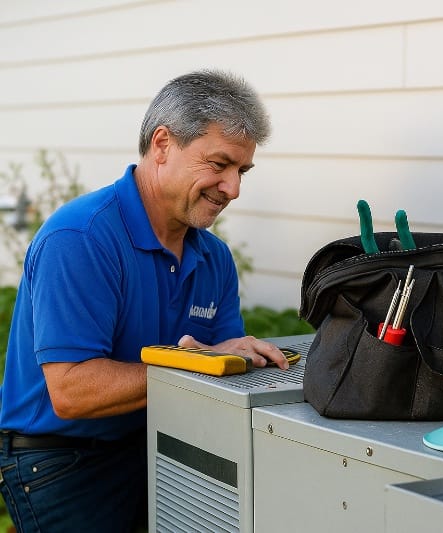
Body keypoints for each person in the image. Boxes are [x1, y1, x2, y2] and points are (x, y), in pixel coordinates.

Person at [0, 69, 288, 532]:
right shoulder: (82, 237)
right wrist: (199, 361)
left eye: (242, 171)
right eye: (219, 165)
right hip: (62, 459)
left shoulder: (212, 256)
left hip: (157, 441)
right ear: (162, 145)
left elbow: (223, 368)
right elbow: (72, 391)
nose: (233, 189)